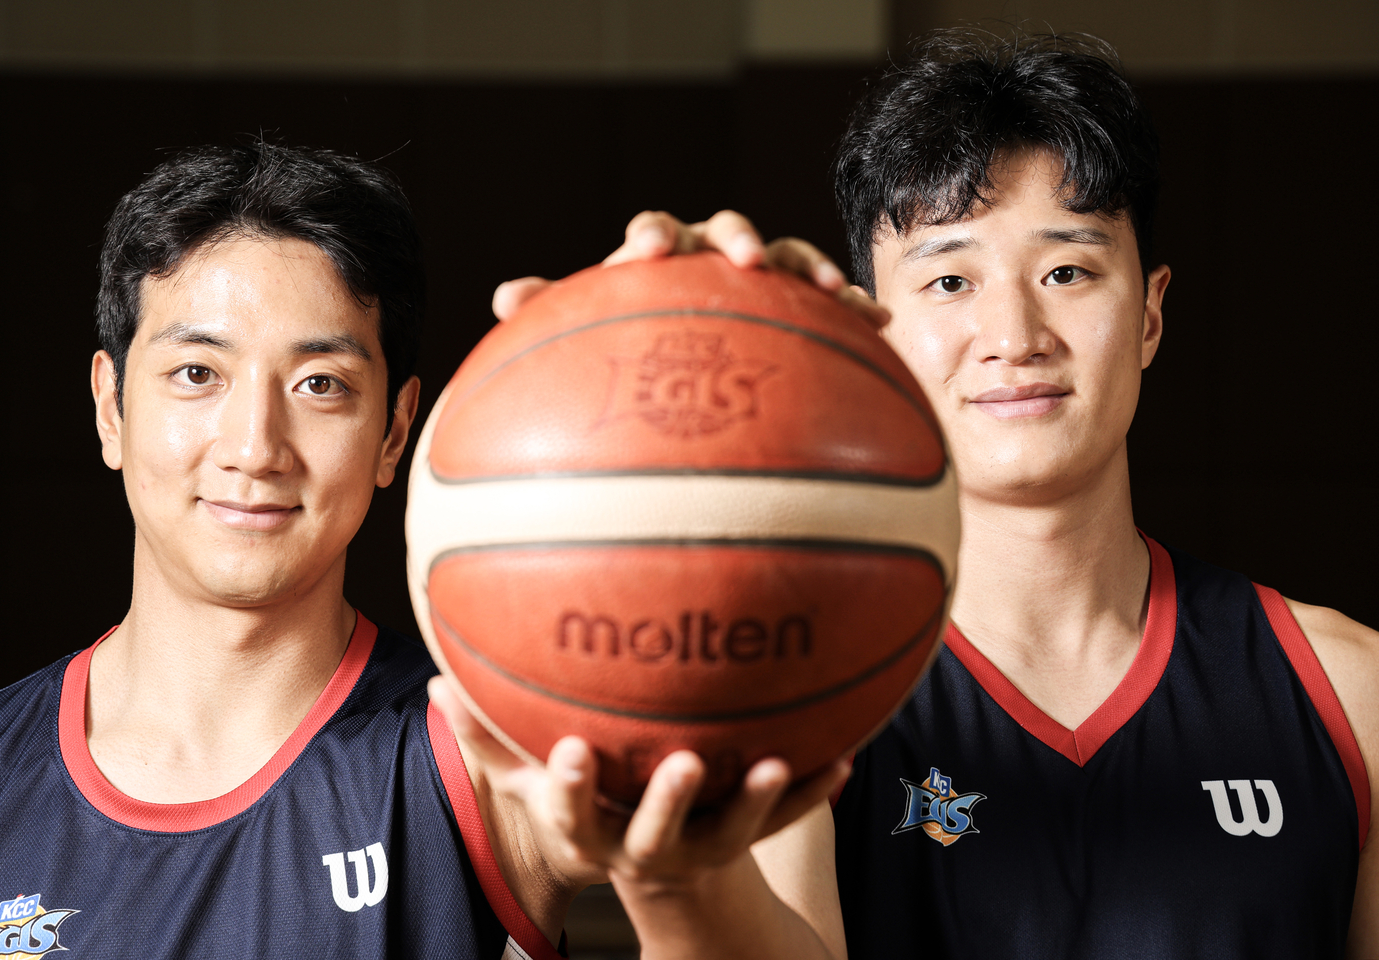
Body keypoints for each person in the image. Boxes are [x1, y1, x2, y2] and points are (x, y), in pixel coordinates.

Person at [490, 29, 1378, 959]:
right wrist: (674, 878)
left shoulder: (1348, 695)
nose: (1013, 334)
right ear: (877, 335)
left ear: (1150, 312)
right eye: (950, 280)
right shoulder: (799, 694)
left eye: (1067, 271)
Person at [0, 141, 840, 960]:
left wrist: (698, 346)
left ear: (394, 432)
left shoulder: (489, 751)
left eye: (320, 384)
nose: (255, 445)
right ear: (111, 407)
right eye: (197, 374)